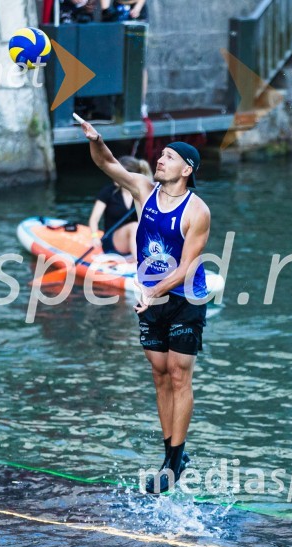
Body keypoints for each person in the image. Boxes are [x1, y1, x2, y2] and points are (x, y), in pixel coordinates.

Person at [80, 118, 210, 494]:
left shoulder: (196, 211)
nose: (160, 161)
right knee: (158, 374)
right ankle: (171, 450)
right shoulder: (143, 190)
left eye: (169, 157)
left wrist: (153, 293)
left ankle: (173, 462)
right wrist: (96, 139)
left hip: (186, 297)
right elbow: (107, 164)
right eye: (161, 155)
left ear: (186, 169)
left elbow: (186, 268)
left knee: (178, 373)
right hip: (150, 297)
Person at [88, 156, 152, 259]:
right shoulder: (107, 192)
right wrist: (95, 236)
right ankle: (139, 265)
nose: (114, 176)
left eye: (118, 174)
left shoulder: (143, 195)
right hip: (112, 243)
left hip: (138, 241)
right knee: (134, 226)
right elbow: (94, 219)